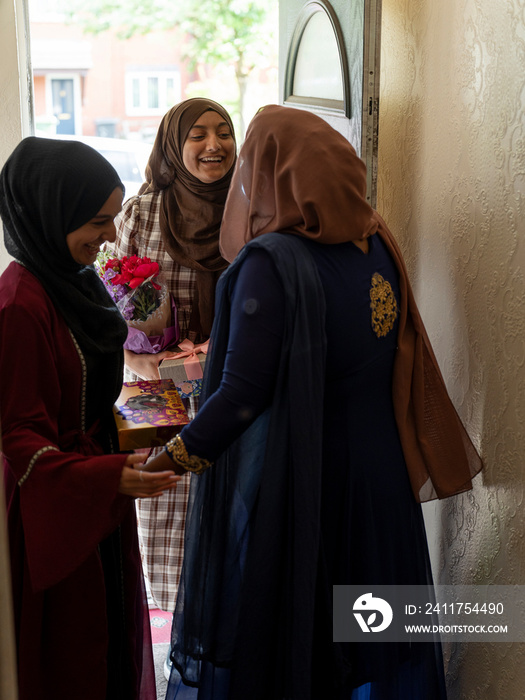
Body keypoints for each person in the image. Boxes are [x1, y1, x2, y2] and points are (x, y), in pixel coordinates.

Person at [146, 105, 483, 700]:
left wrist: (173, 458)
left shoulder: (271, 263)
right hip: (382, 481)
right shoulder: (376, 240)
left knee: (299, 647)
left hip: (307, 485)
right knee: (367, 636)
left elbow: (242, 397)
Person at [0, 136, 180, 700]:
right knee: (73, 655)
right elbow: (18, 438)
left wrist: (138, 422)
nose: (109, 236)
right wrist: (103, 477)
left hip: (94, 495)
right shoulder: (19, 306)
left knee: (111, 640)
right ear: (54, 212)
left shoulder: (70, 283)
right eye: (98, 221)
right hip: (56, 510)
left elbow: (87, 394)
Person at [107, 98, 237, 616]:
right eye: (198, 134)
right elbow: (109, 300)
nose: (214, 145)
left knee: (239, 528)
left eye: (225, 132)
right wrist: (137, 359)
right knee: (175, 522)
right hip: (164, 400)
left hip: (239, 394)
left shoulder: (253, 206)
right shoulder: (142, 213)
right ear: (171, 145)